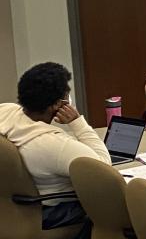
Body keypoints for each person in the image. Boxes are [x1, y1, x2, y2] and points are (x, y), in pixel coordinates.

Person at [0, 62, 110, 229]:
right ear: (58, 104)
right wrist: (78, 123)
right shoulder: (55, 145)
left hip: (10, 207)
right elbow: (104, 172)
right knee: (110, 206)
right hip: (44, 212)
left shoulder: (5, 110)